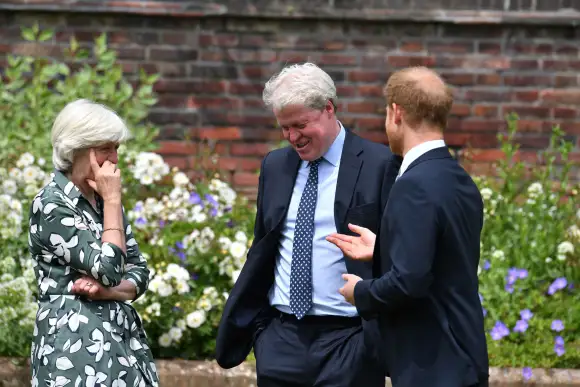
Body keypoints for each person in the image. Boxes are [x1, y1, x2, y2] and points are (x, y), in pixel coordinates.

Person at [215, 62, 401, 387]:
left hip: (349, 339)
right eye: (284, 128)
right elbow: (264, 243)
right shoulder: (275, 166)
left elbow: (399, 251)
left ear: (328, 108)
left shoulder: (379, 164)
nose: (292, 137)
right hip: (281, 338)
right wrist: (264, 332)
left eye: (300, 124)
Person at [327, 66, 489, 387]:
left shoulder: (413, 183)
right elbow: (445, 257)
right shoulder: (459, 179)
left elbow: (409, 282)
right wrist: (384, 248)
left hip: (432, 366)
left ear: (396, 112)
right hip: (463, 359)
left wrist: (360, 293)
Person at [28, 99, 159, 387]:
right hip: (72, 347)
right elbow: (111, 268)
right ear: (75, 150)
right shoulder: (51, 205)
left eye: (116, 148)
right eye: (104, 149)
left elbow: (139, 271)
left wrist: (107, 293)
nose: (114, 159)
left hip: (118, 346)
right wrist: (114, 201)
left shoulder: (102, 201)